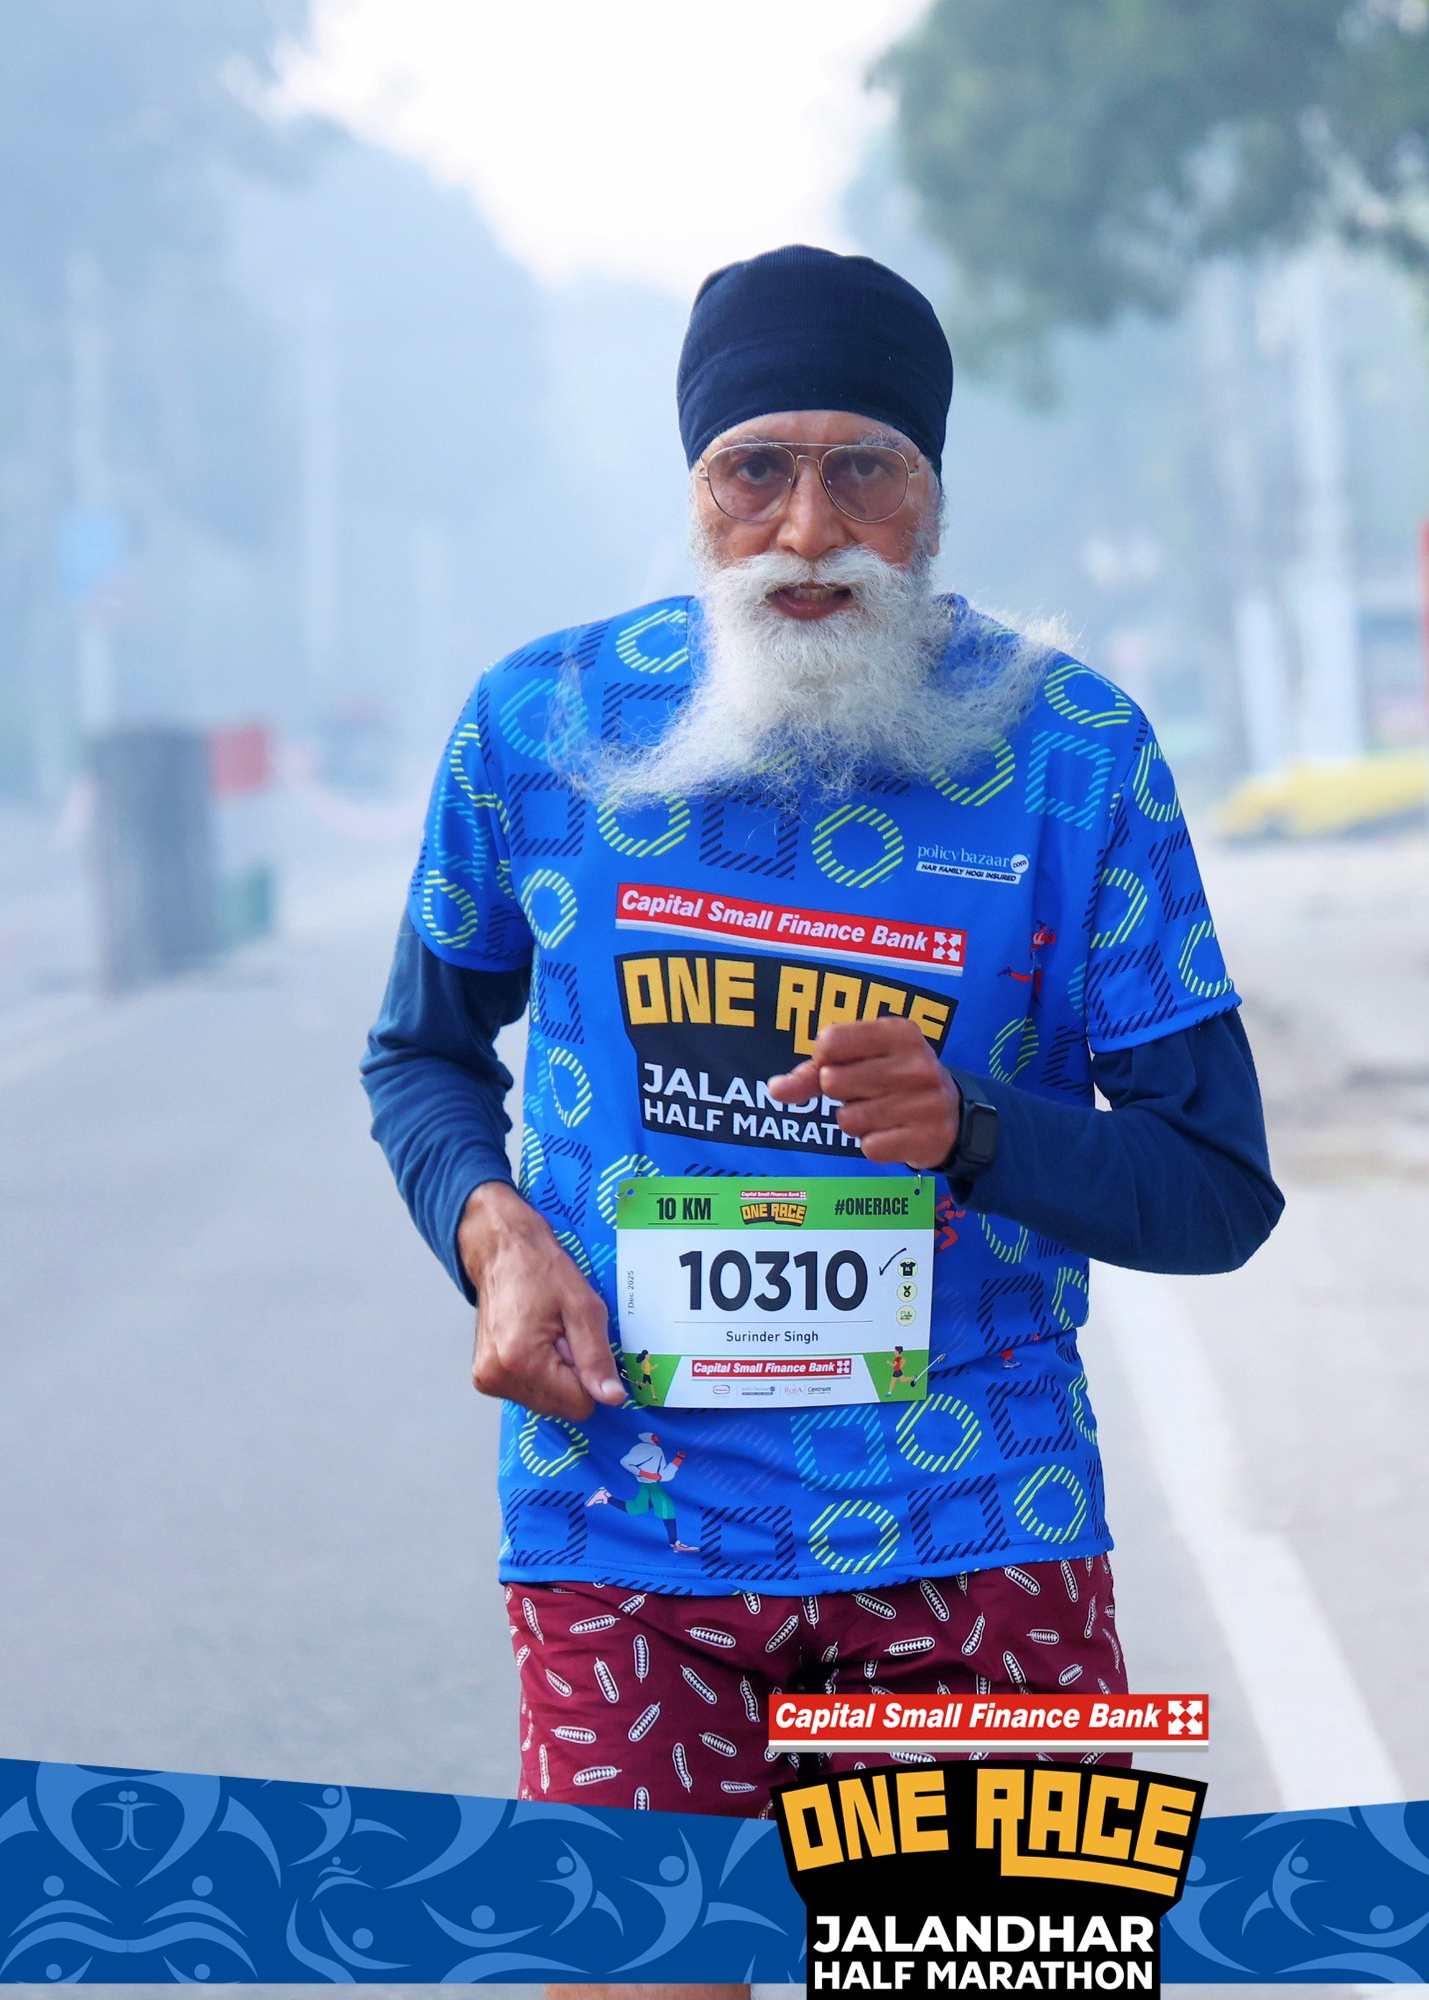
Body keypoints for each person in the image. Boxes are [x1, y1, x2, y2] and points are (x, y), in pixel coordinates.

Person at [362, 247, 1282, 1846]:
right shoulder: (541, 728)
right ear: (695, 491)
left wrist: (977, 1128)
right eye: (755, 472)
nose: (806, 530)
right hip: (625, 1534)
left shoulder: (1074, 755)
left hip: (978, 1529)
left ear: (932, 498)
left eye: (865, 470)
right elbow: (420, 1058)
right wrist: (492, 1233)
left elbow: (1216, 1189)